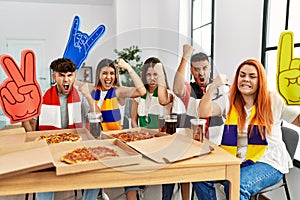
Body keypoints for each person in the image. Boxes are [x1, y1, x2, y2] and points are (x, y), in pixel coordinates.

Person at [193, 59, 300, 200]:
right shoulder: (229, 99)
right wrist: (213, 87)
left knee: (236, 186)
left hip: (269, 160)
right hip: (237, 158)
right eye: (242, 75)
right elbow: (203, 112)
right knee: (198, 175)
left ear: (260, 80)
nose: (246, 79)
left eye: (252, 76)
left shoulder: (273, 99)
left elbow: (297, 120)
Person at [22, 58, 101, 200]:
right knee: (43, 178)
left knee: (95, 177)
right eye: (62, 75)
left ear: (74, 76)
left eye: (69, 75)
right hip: (50, 147)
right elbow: (31, 132)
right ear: (54, 76)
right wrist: (23, 116)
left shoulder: (81, 96)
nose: (66, 80)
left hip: (76, 147)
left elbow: (97, 121)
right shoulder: (41, 97)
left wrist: (89, 97)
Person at [90, 58, 146, 200]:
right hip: (98, 142)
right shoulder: (92, 91)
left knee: (129, 176)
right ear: (98, 75)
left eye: (112, 73)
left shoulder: (118, 92)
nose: (108, 77)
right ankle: (102, 195)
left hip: (117, 142)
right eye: (104, 73)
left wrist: (129, 68)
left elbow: (141, 91)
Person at [131, 57, 175, 129]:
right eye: (148, 74)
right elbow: (133, 120)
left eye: (155, 74)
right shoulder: (138, 95)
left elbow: (163, 101)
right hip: (143, 135)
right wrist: (138, 133)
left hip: (162, 135)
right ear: (144, 76)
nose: (152, 78)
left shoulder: (168, 94)